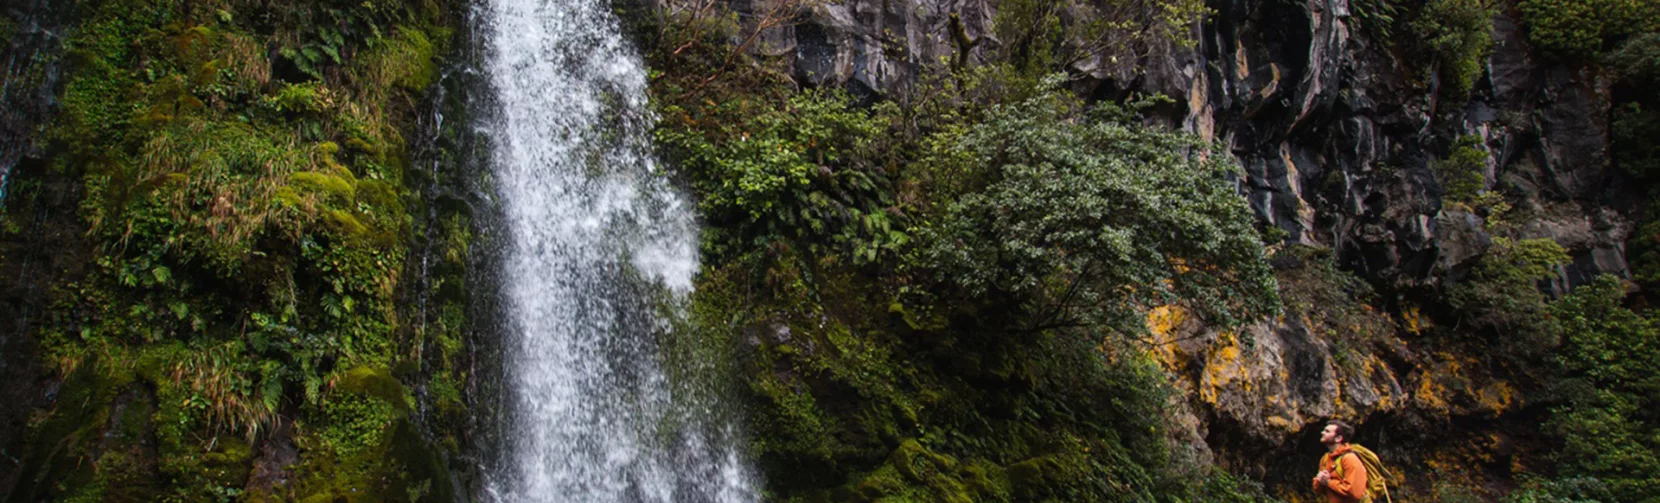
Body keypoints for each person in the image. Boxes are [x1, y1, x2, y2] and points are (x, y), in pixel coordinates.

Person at [1312, 420, 1369, 503]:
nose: (1322, 432)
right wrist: (1320, 481)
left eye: (1327, 431)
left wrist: (1328, 482)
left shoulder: (1350, 459)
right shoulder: (1325, 458)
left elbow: (1355, 493)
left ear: (1338, 438)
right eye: (1324, 430)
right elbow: (1317, 490)